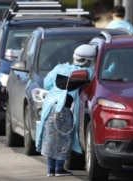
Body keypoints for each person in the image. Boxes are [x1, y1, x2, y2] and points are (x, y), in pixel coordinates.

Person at [35, 44, 96, 177]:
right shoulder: (87, 73)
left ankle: (51, 169)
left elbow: (47, 83)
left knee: (50, 138)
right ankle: (59, 168)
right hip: (64, 108)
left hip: (49, 105)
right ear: (88, 60)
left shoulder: (60, 67)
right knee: (63, 138)